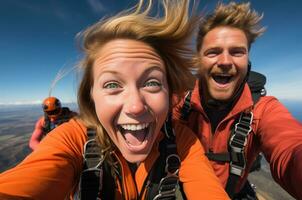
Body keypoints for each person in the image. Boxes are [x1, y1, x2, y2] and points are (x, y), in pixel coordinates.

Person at [0, 0, 229, 199]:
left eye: (152, 83)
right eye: (112, 85)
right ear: (91, 98)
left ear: (169, 94)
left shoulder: (181, 140)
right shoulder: (73, 138)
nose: (136, 106)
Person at [173, 1, 302, 199]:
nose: (225, 61)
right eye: (213, 52)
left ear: (247, 61)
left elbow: (290, 146)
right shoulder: (180, 102)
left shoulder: (262, 109)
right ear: (198, 62)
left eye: (236, 52)